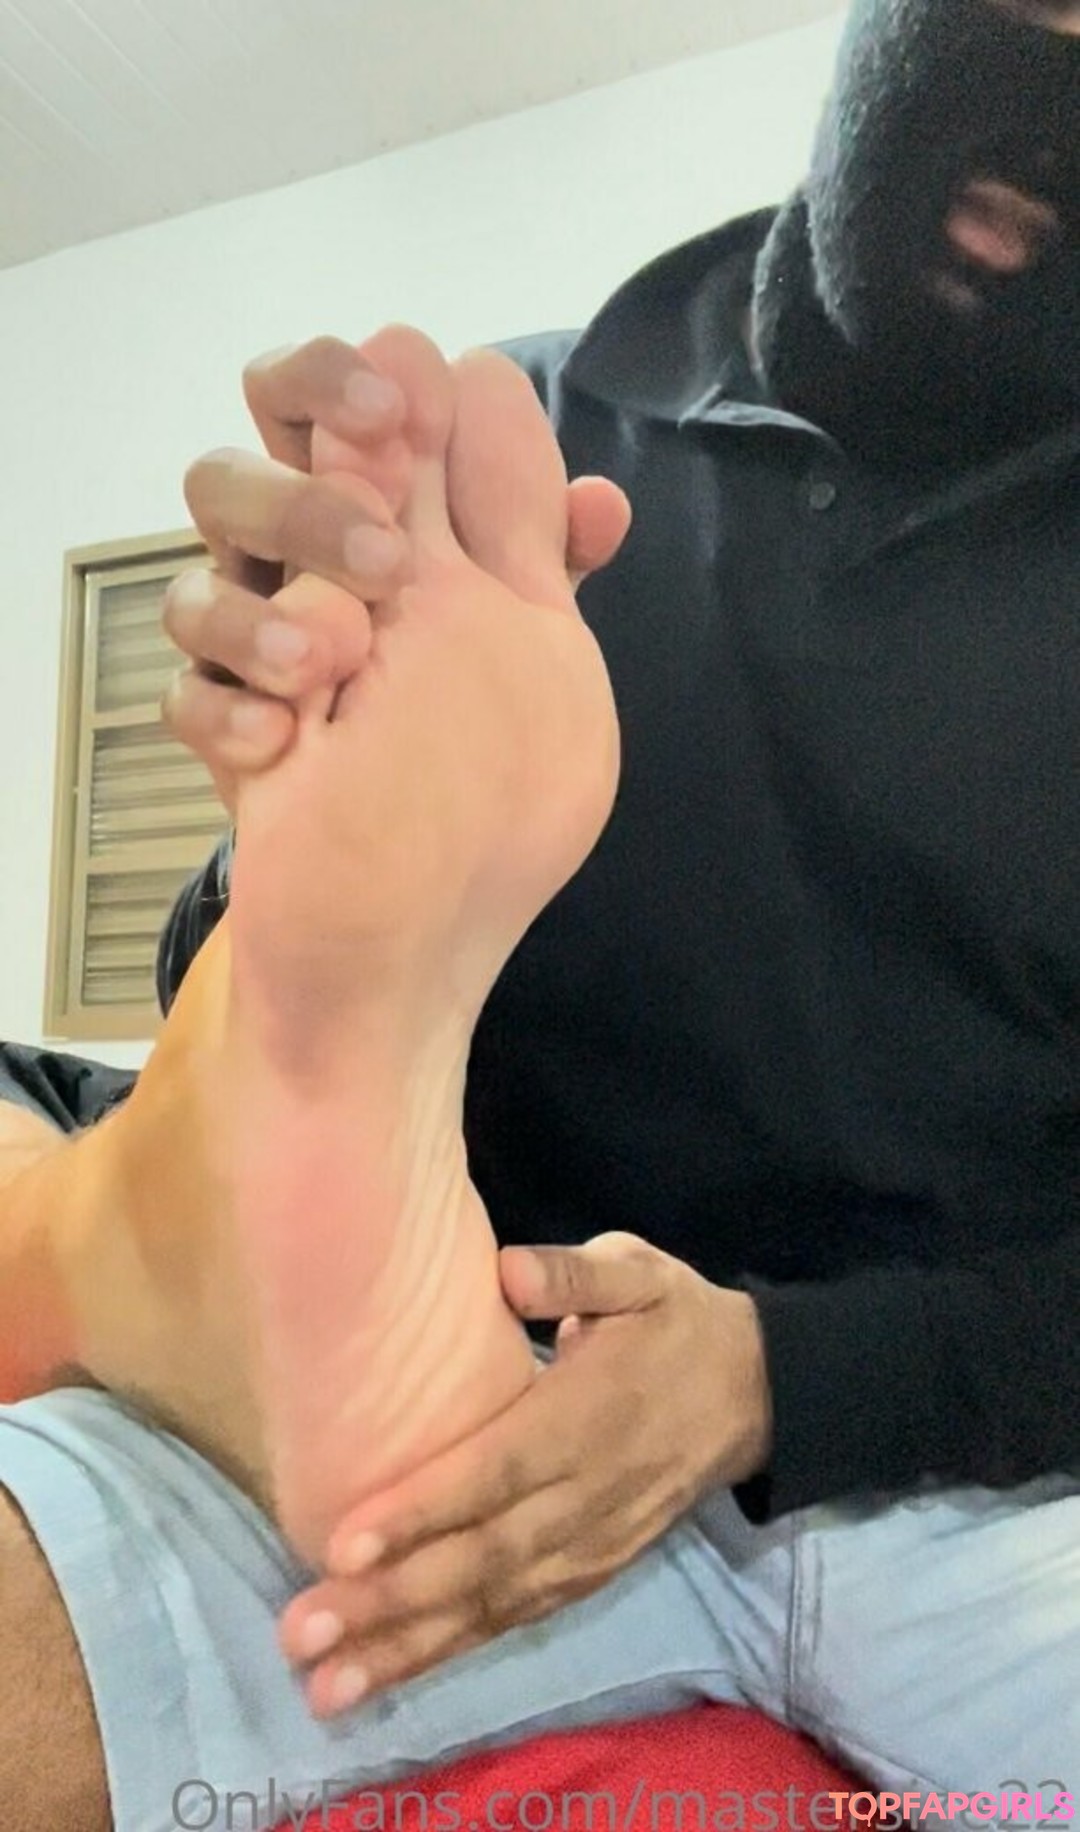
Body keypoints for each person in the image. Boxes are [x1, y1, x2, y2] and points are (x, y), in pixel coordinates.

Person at [1, 0, 1077, 1823]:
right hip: (461, 1373)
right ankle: (232, 1142)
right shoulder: (522, 484)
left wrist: (778, 1379)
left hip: (984, 1462)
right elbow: (217, 949)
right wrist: (276, 853)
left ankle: (134, 1189)